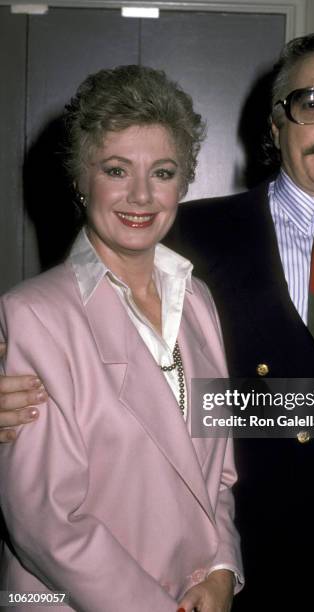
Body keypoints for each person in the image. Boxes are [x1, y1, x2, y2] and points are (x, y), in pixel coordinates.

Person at [0, 31, 314, 609]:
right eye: (311, 102)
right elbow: (64, 334)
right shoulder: (181, 237)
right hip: (230, 576)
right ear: (275, 125)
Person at [0, 65, 242, 612]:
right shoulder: (33, 316)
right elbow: (46, 524)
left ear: (183, 183)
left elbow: (218, 472)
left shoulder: (198, 301)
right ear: (81, 180)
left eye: (161, 172)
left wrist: (224, 568)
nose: (140, 195)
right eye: (116, 169)